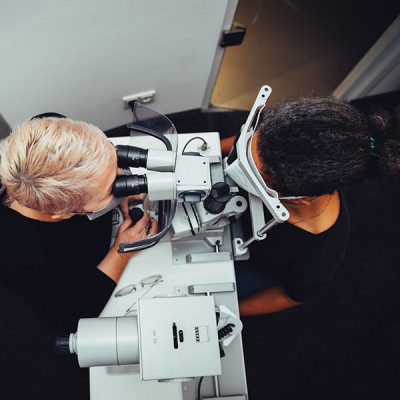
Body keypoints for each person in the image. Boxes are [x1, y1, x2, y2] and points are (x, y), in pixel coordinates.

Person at [221, 97, 400, 316]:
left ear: (298, 199)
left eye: (252, 174)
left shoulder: (320, 256)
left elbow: (291, 295)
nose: (234, 166)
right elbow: (245, 145)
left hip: (256, 265)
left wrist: (226, 311)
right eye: (246, 152)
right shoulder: (277, 137)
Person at [0, 114, 157, 333]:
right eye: (111, 187)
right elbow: (71, 319)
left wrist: (119, 195)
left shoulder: (48, 127)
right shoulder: (30, 262)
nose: (123, 174)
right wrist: (121, 253)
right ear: (63, 213)